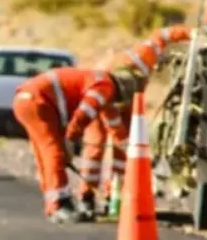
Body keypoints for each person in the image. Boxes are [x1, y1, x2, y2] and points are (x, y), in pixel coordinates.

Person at [13, 65, 147, 223]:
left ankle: (52, 203)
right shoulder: (104, 87)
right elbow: (84, 113)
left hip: (26, 100)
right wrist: (70, 139)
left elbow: (115, 128)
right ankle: (59, 205)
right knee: (54, 152)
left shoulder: (102, 85)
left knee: (45, 153)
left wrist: (135, 154)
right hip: (38, 101)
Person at [80, 26, 191, 215]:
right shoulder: (105, 83)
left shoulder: (144, 55)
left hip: (128, 103)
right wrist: (124, 142)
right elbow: (113, 124)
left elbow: (162, 35)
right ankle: (86, 196)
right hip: (99, 103)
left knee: (122, 154)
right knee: (96, 146)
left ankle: (113, 194)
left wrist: (191, 33)